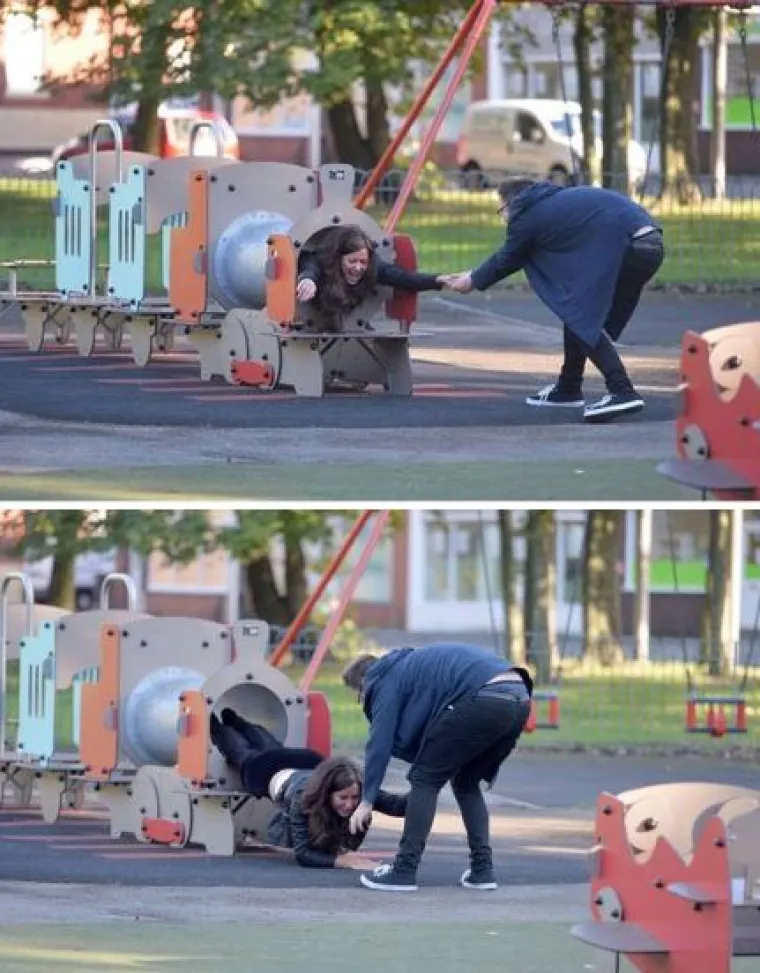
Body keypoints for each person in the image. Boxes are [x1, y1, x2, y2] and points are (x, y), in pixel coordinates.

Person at [443, 177, 665, 423]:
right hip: (651, 243)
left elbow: (509, 257)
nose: (503, 217)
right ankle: (569, 386)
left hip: (625, 244)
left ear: (510, 203)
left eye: (500, 210)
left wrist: (471, 280)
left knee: (581, 312)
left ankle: (622, 390)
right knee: (575, 307)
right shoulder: (556, 203)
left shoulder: (527, 214)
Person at [340, 644, 533, 893]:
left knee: (424, 779)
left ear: (363, 683)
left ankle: (404, 871)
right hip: (519, 696)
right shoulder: (410, 667)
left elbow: (380, 742)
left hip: (483, 695)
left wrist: (367, 800)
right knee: (465, 783)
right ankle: (482, 871)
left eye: (359, 694)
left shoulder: (382, 679)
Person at [210, 708, 407, 869]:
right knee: (242, 753)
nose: (350, 804)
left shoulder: (353, 787)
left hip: (308, 760)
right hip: (266, 770)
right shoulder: (302, 797)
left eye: (354, 797)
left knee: (271, 746)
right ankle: (216, 723)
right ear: (327, 793)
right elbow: (303, 854)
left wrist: (426, 785)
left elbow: (397, 805)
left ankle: (235, 719)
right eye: (343, 798)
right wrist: (344, 861)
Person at [296, 224, 446, 332]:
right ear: (339, 258)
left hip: (347, 316)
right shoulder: (322, 263)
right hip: (316, 312)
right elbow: (309, 265)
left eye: (363, 262)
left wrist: (439, 280)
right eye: (352, 261)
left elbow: (404, 278)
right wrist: (308, 280)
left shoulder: (373, 268)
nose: (358, 268)